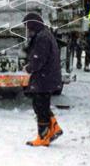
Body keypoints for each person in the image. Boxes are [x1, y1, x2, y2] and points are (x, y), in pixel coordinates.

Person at [23, 11, 63, 147]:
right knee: (41, 105)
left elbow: (38, 59)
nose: (27, 30)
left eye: (28, 27)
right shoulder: (43, 34)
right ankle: (54, 128)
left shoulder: (42, 38)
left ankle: (43, 136)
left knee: (40, 107)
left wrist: (29, 68)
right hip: (47, 77)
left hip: (44, 78)